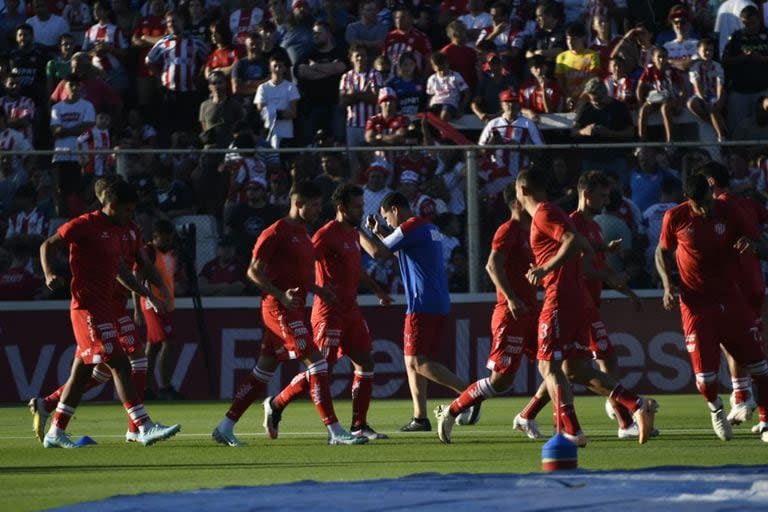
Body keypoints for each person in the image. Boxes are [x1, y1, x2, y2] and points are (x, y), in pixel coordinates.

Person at [212, 181, 368, 446]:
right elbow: (253, 271)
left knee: (262, 374)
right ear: (298, 204)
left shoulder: (303, 233)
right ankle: (335, 431)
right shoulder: (276, 232)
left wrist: (318, 290)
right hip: (279, 309)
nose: (319, 210)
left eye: (320, 204)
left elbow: (298, 274)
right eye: (314, 205)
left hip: (292, 309)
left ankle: (225, 427)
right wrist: (279, 294)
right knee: (318, 364)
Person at [514, 168, 655, 447]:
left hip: (560, 297)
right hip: (578, 299)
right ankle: (636, 405)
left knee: (548, 366)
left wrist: (545, 268)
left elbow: (571, 241)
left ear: (522, 191)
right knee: (576, 370)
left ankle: (572, 431)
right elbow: (578, 241)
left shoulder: (544, 213)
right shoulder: (557, 213)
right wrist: (603, 248)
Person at [37, 180, 180, 448]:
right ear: (111, 205)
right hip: (87, 306)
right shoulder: (85, 224)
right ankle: (143, 425)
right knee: (120, 363)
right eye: (126, 211)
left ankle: (55, 430)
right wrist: (49, 274)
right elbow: (48, 245)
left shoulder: (120, 229)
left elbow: (122, 272)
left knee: (83, 373)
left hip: (107, 306)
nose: (130, 216)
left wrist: (148, 293)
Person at [262, 184, 393, 440]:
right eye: (357, 207)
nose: (361, 211)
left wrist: (377, 290)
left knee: (365, 362)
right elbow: (302, 266)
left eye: (362, 206)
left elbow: (357, 269)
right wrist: (317, 290)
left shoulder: (353, 234)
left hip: (351, 311)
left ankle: (359, 425)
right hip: (328, 313)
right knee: (321, 370)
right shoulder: (325, 235)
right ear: (342, 208)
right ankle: (276, 404)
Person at [656, 172, 768, 443]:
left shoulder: (729, 210)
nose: (707, 208)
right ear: (688, 200)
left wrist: (753, 246)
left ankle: (766, 422)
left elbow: (762, 244)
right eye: (700, 204)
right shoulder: (675, 217)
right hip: (695, 304)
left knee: (760, 367)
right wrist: (668, 285)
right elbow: (661, 251)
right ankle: (716, 408)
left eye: (708, 200)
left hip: (731, 299)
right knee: (706, 380)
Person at [433, 182, 537, 443]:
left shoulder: (532, 231)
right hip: (510, 314)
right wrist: (512, 298)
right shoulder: (508, 230)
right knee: (501, 382)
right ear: (517, 202)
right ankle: (451, 410)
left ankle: (536, 418)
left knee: (557, 365)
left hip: (532, 314)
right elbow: (492, 266)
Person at [360, 192, 470, 432]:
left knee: (417, 362)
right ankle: (420, 417)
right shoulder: (426, 227)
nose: (387, 222)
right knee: (413, 362)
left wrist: (355, 230)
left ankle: (470, 393)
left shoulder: (410, 227)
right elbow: (401, 252)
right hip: (435, 301)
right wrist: (379, 232)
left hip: (423, 304)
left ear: (395, 210)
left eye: (386, 217)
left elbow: (378, 254)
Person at [699, 161, 764, 426]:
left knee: (746, 349)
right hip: (753, 282)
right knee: (744, 345)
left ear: (711, 183)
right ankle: (743, 397)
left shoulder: (721, 207)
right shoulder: (746, 203)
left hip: (735, 287)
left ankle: (745, 399)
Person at [138, 219, 183, 401]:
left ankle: (146, 388)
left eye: (169, 238)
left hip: (165, 305)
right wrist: (138, 308)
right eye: (164, 239)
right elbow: (138, 277)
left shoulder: (169, 254)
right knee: (167, 343)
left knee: (154, 347)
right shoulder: (149, 252)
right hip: (153, 304)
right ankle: (164, 386)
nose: (167, 241)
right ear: (155, 237)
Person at [478, 89, 543, 196]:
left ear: (518, 104)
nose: (511, 105)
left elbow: (540, 150)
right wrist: (492, 144)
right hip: (496, 176)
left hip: (520, 176)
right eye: (507, 102)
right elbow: (480, 151)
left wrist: (519, 147)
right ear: (501, 104)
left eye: (514, 102)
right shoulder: (493, 124)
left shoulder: (528, 123)